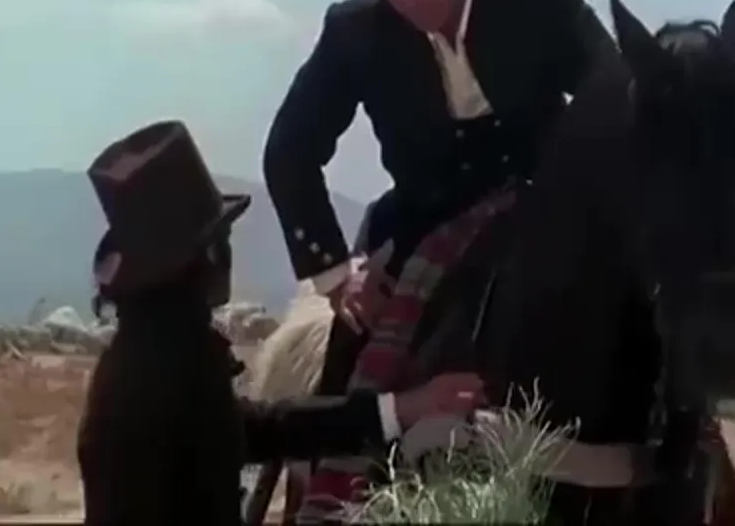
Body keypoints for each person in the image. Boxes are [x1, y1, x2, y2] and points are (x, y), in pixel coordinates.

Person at [263, 0, 621, 399]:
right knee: (352, 366)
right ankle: (337, 444)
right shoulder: (355, 32)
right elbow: (289, 150)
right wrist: (338, 278)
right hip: (423, 219)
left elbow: (614, 94)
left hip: (546, 204)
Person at [76, 120, 486, 526]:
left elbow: (259, 428)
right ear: (208, 256)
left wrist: (399, 408)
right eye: (223, 239)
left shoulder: (144, 360)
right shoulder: (171, 371)